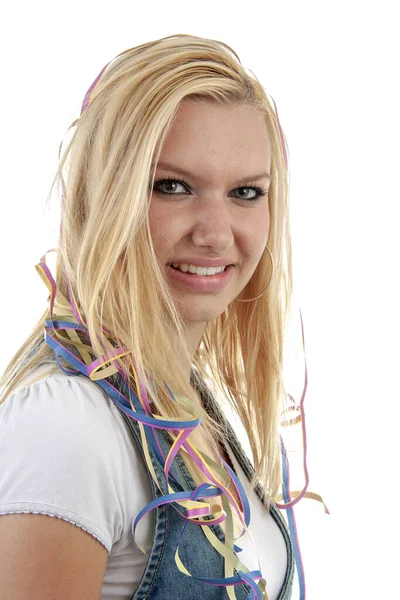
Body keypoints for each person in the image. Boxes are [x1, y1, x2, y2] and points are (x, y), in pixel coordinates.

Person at [0, 34, 298, 599]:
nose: (214, 233)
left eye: (245, 192)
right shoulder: (66, 428)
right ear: (105, 194)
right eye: (172, 186)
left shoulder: (198, 414)